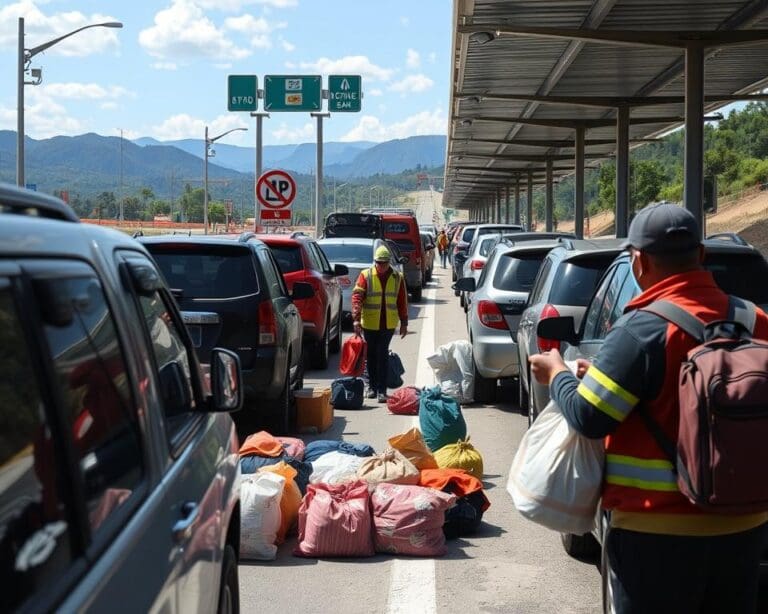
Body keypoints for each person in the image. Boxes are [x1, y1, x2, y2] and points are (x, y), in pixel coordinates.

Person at [529, 203, 768, 614]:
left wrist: (558, 376)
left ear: (638, 262)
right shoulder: (756, 321)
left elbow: (590, 417)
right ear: (702, 255)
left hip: (656, 534)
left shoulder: (641, 328)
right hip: (744, 527)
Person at [351, 245, 408, 402]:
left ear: (389, 262)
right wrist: (356, 319)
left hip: (388, 324)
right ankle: (372, 387)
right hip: (369, 323)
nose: (381, 266)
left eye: (384, 263)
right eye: (378, 263)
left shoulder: (397, 277)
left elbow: (402, 301)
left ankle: (381, 390)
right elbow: (357, 297)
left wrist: (404, 322)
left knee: (382, 354)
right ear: (374, 262)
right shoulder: (366, 275)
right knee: (371, 354)